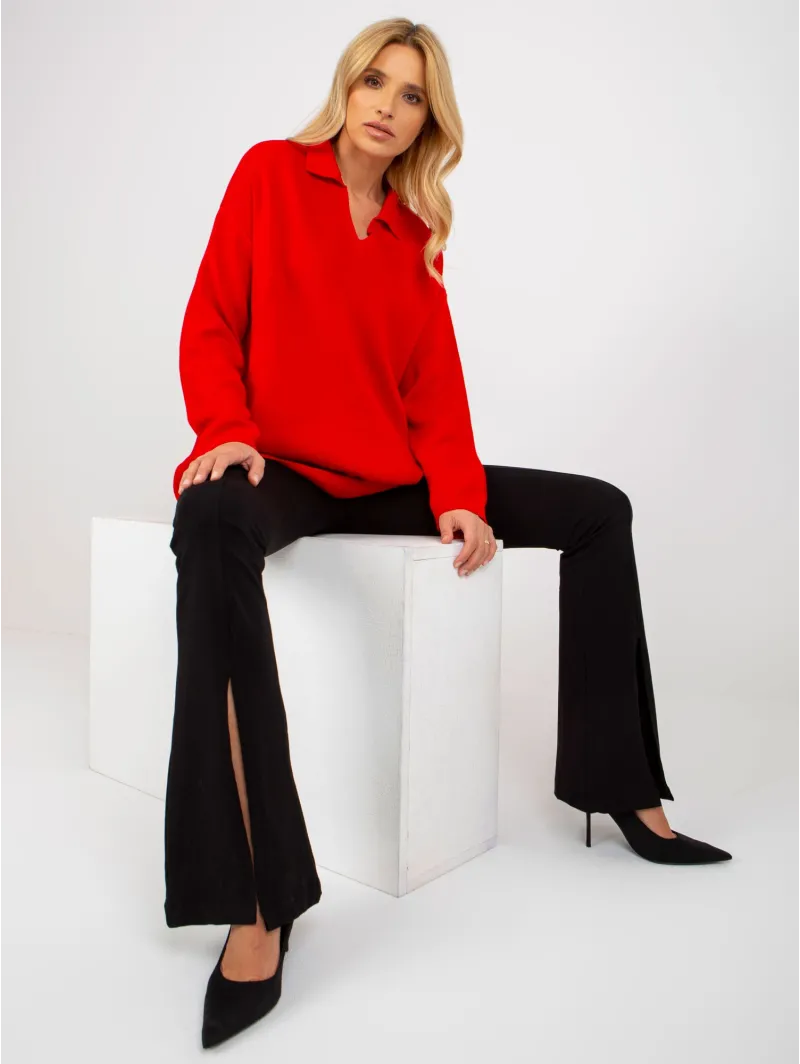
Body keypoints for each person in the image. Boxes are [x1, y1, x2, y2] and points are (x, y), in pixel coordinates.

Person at [165, 16, 733, 1050]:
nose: (387, 105)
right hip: (277, 470)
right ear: (346, 86)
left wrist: (456, 494)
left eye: (412, 94)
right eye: (374, 82)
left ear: (431, 119)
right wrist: (227, 431)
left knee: (598, 509)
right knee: (206, 519)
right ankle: (258, 899)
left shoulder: (414, 230)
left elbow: (433, 387)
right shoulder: (269, 175)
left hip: (383, 477)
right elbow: (212, 320)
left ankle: (622, 791)